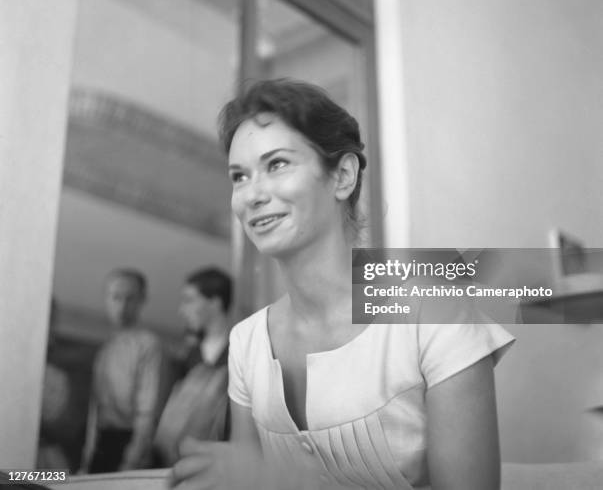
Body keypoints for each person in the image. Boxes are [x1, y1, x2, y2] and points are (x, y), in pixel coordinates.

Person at [171, 79, 515, 490]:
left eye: (277, 164)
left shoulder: (435, 310)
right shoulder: (246, 343)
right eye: (239, 176)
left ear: (343, 176)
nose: (252, 195)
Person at [81, 269, 166, 473]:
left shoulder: (149, 345)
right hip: (102, 443)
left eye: (130, 298)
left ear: (142, 300)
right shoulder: (106, 348)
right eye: (115, 297)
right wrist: (87, 457)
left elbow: (148, 411)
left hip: (129, 443)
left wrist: (131, 461)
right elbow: (96, 409)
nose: (122, 306)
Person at [153, 268, 232, 466]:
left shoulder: (242, 352)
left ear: (215, 303)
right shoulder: (183, 358)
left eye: (190, 300)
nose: (182, 310)